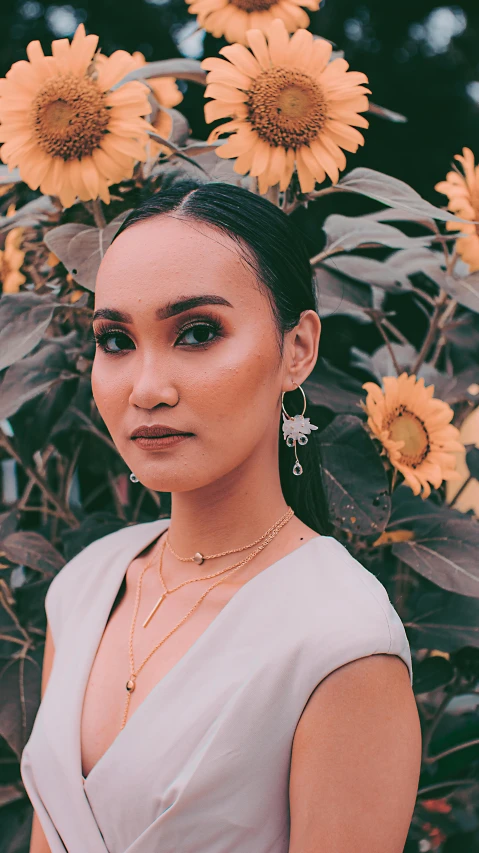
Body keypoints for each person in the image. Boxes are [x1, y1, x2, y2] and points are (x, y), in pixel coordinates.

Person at [21, 179, 421, 853]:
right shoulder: (84, 586)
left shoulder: (342, 642)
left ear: (296, 350)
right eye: (115, 339)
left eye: (198, 332)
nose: (147, 387)